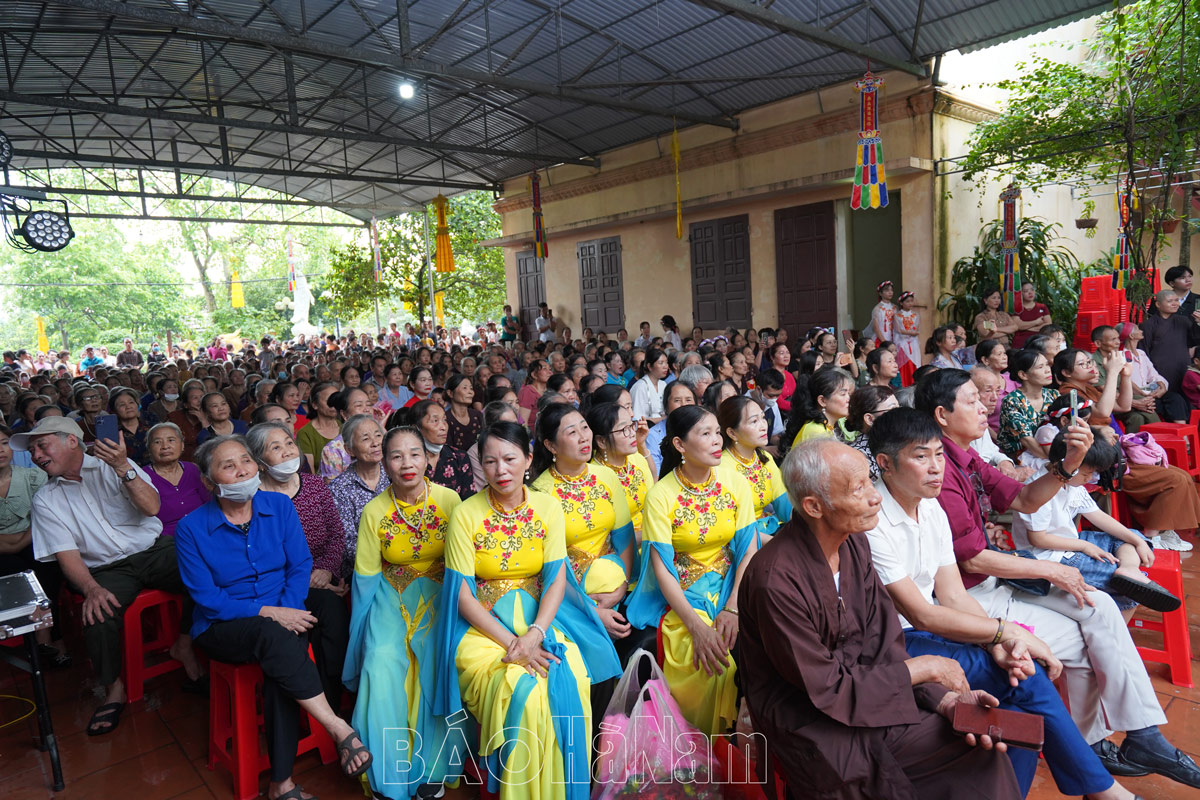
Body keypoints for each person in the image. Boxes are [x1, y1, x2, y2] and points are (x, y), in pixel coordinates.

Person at [916, 369, 1200, 787]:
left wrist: (1068, 465)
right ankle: (1099, 744)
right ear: (942, 414)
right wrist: (1052, 568)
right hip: (970, 595)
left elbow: (1026, 497)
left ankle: (1137, 735)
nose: (986, 405)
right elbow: (973, 560)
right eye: (974, 398)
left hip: (996, 578)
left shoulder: (966, 455)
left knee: (1098, 605)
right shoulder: (938, 471)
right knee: (1090, 634)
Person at [865, 409, 1131, 799]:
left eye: (939, 455)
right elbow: (919, 613)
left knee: (1019, 717)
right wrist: (1005, 633)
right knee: (1028, 677)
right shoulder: (873, 521)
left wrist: (1001, 643)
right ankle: (1104, 792)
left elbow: (953, 595)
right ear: (885, 464)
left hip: (927, 630)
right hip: (893, 644)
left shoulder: (932, 507)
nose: (936, 467)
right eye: (921, 457)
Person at [737, 438, 1022, 799]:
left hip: (874, 698)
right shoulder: (776, 579)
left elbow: (885, 643)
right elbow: (825, 688)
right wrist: (928, 667)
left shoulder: (854, 545)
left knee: (981, 750)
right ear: (814, 506)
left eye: (871, 481)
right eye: (859, 488)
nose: (876, 497)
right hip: (814, 724)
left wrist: (943, 700)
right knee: (879, 779)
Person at [175, 436, 371, 799]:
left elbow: (299, 565)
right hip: (224, 625)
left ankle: (282, 782)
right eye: (228, 465)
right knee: (276, 640)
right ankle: (337, 727)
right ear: (208, 481)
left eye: (246, 461)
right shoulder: (191, 529)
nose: (242, 470)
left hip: (283, 609)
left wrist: (289, 608)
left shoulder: (279, 506)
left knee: (298, 636)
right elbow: (208, 599)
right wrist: (272, 613)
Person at [433, 421, 620, 800]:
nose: (500, 470)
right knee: (525, 690)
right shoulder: (466, 515)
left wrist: (535, 633)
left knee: (575, 679)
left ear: (529, 459)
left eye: (509, 459)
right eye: (490, 461)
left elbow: (554, 579)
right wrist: (514, 643)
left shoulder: (548, 508)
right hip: (483, 629)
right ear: (479, 466)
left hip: (541, 618)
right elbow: (463, 596)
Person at [20, 416, 204, 735]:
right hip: (107, 568)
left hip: (153, 550)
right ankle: (113, 688)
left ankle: (184, 644)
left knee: (204, 569)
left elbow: (151, 507)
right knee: (97, 615)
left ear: (71, 441)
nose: (36, 455)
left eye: (42, 445)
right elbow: (68, 556)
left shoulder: (115, 466)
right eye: (33, 449)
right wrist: (91, 588)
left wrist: (123, 468)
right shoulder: (46, 500)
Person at [344, 425, 464, 798]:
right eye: (396, 456)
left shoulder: (450, 501)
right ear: (385, 461)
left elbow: (465, 565)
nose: (407, 463)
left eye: (415, 454)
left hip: (441, 593)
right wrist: (360, 635)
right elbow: (365, 577)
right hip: (390, 594)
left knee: (435, 656)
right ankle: (388, 772)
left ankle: (433, 766)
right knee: (380, 661)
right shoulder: (374, 511)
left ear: (429, 458)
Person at [625, 406, 758, 735]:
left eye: (717, 432)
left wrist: (734, 607)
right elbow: (662, 570)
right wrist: (696, 627)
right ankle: (700, 752)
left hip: (732, 588)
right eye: (705, 434)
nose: (716, 441)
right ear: (680, 445)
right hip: (684, 597)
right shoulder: (661, 496)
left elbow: (747, 548)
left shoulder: (735, 483)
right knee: (709, 663)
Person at [1012, 430, 1179, 618]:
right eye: (1087, 473)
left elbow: (1099, 516)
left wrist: (1137, 541)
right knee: (1128, 592)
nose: (1090, 478)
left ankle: (1129, 569)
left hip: (1071, 542)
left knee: (1130, 537)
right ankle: (1117, 640)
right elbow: (1038, 539)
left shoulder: (1073, 484)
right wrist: (1086, 546)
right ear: (1068, 464)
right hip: (1049, 556)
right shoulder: (1037, 488)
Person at [530, 404, 635, 641]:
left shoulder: (606, 476)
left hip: (616, 585)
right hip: (568, 598)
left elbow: (624, 538)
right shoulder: (540, 493)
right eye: (572, 432)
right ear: (550, 445)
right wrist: (593, 610)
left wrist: (621, 587)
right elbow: (545, 569)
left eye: (584, 428)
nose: (583, 437)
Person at [0, 424, 70, 668]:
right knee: (14, 569)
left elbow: (47, 516)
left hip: (34, 539)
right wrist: (12, 543)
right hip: (5, 551)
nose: (1, 450)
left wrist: (19, 540)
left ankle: (48, 634)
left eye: (3, 443)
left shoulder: (32, 477)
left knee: (47, 566)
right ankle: (31, 636)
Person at [718, 395, 792, 540]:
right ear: (732, 433)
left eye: (763, 418)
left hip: (768, 531)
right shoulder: (721, 468)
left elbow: (784, 505)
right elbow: (730, 528)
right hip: (742, 541)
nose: (764, 425)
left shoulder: (764, 458)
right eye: (754, 421)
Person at [328, 415, 390, 578]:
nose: (375, 443)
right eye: (365, 438)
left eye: (378, 435)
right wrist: (387, 561)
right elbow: (347, 542)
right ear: (349, 449)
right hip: (362, 573)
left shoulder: (394, 477)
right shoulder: (339, 488)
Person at [587, 401, 656, 535]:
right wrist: (653, 533)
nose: (631, 433)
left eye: (631, 425)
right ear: (602, 441)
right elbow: (607, 535)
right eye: (624, 429)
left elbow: (653, 489)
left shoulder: (636, 459)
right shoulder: (594, 478)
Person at [143, 422, 210, 538]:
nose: (165, 446)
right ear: (149, 448)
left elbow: (209, 503)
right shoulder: (142, 477)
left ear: (182, 445)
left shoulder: (193, 469)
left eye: (171, 440)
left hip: (203, 531)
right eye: (157, 442)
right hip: (166, 540)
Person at [398, 400, 474, 498]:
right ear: (416, 428)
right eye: (435, 421)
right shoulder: (406, 462)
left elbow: (468, 500)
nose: (443, 427)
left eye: (444, 420)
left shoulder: (459, 457)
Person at [998, 349, 1058, 459]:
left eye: (1047, 365)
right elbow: (1027, 440)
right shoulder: (1012, 401)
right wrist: (1057, 462)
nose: (1047, 370)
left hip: (1051, 451)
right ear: (1023, 375)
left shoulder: (1054, 395)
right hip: (1021, 456)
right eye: (1040, 367)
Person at [1053, 347, 1132, 429]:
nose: (1089, 366)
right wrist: (1112, 372)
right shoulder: (1068, 391)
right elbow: (1102, 413)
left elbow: (1123, 406)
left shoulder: (1088, 387)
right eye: (1081, 364)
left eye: (1088, 361)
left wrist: (1126, 376)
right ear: (1066, 372)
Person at [780, 367, 854, 452]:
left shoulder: (825, 426)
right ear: (822, 401)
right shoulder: (815, 432)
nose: (849, 399)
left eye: (848, 394)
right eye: (843, 394)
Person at [835, 384, 898, 481]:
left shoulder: (895, 443)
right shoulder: (859, 456)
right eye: (893, 410)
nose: (901, 414)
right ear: (869, 419)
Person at [1141, 289, 1194, 393]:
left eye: (1176, 300)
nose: (1175, 304)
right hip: (1160, 369)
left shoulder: (1184, 321)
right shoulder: (1148, 325)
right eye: (1170, 301)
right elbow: (1143, 350)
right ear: (1158, 304)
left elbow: (1194, 340)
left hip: (1183, 366)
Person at [318, 387, 373, 483]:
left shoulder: (380, 440)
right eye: (359, 405)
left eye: (368, 404)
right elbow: (333, 491)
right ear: (344, 414)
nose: (366, 409)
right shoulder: (333, 450)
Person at [644, 380, 697, 474]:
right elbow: (655, 474)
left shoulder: (701, 430)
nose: (684, 405)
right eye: (677, 400)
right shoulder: (653, 436)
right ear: (666, 405)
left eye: (688, 400)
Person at [295, 381, 341, 473]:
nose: (333, 404)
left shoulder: (346, 427)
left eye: (336, 399)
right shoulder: (305, 433)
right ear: (315, 405)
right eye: (329, 400)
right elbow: (310, 472)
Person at [108, 387, 151, 466]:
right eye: (122, 404)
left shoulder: (152, 426)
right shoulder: (112, 433)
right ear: (114, 411)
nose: (128, 407)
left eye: (131, 402)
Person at [629, 347, 669, 424]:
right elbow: (638, 420)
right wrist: (663, 419)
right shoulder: (640, 387)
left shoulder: (663, 384)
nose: (665, 366)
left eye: (666, 362)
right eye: (661, 363)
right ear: (649, 366)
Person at [445, 374, 482, 452]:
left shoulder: (478, 416)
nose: (470, 392)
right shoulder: (445, 419)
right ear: (450, 393)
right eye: (465, 388)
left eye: (471, 388)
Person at [1012, 282, 1053, 349]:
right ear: (1020, 293)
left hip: (1039, 343)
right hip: (1021, 343)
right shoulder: (1017, 308)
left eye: (1032, 290)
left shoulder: (1042, 307)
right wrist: (1036, 322)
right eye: (1026, 291)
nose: (1030, 293)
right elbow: (1018, 326)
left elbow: (1048, 324)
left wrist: (1029, 328)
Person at [893, 291, 921, 386]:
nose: (910, 303)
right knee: (904, 365)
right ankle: (904, 384)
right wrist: (911, 333)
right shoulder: (897, 315)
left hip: (913, 343)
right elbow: (898, 329)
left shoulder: (916, 315)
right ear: (901, 303)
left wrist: (913, 333)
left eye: (911, 301)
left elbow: (916, 328)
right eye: (907, 301)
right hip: (902, 343)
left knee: (914, 363)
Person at [864, 280, 896, 345]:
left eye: (891, 290)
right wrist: (884, 342)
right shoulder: (877, 309)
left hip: (894, 338)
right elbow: (876, 328)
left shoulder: (896, 307)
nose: (890, 292)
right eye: (887, 290)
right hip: (882, 339)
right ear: (880, 293)